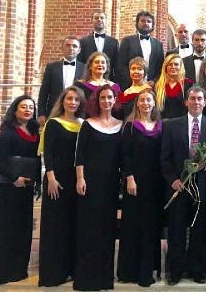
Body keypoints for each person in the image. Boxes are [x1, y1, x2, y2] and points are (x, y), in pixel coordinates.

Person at [160, 86, 206, 286]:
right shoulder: (171, 125)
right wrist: (172, 180)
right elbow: (165, 158)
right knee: (176, 230)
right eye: (192, 98)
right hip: (179, 187)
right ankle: (175, 271)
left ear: (205, 102)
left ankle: (197, 269)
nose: (196, 102)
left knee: (199, 230)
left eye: (199, 99)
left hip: (202, 187)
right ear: (186, 102)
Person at [73, 84, 123, 291]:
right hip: (90, 183)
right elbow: (80, 154)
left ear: (115, 100)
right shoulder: (88, 124)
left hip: (111, 184)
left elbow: (123, 156)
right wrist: (80, 178)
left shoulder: (120, 125)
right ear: (97, 100)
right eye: (103, 97)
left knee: (107, 229)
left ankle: (104, 278)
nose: (106, 101)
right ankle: (87, 278)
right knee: (89, 229)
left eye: (110, 97)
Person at [38, 86, 86, 287]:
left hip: (75, 180)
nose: (72, 102)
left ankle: (70, 269)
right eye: (69, 99)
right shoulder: (53, 123)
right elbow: (47, 153)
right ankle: (53, 274)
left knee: (71, 226)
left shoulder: (82, 124)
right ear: (62, 101)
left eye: (76, 100)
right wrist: (50, 178)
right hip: (56, 181)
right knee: (55, 227)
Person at [117, 88, 164, 287]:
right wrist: (129, 177)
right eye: (142, 100)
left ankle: (149, 269)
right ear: (137, 103)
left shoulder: (161, 126)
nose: (146, 103)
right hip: (135, 183)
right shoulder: (130, 126)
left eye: (149, 100)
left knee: (151, 226)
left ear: (154, 103)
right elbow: (125, 155)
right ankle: (130, 271)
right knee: (133, 225)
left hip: (155, 184)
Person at [0, 96, 40, 285]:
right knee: (7, 228)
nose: (28, 110)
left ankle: (18, 270)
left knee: (23, 228)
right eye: (23, 107)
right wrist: (14, 178)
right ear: (15, 110)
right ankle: (2, 271)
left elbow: (37, 159)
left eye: (31, 107)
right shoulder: (8, 132)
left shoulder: (34, 132)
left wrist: (36, 182)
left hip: (26, 187)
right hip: (9, 186)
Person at [38, 36, 85, 124]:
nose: (71, 48)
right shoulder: (51, 67)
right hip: (54, 110)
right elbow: (44, 92)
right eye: (68, 45)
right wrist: (41, 113)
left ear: (79, 50)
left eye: (74, 46)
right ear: (62, 48)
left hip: (77, 111)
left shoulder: (85, 68)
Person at [117, 11, 165, 89]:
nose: (146, 23)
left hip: (152, 87)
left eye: (149, 21)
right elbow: (121, 65)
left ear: (152, 25)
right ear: (137, 24)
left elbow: (161, 67)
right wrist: (134, 81)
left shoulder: (158, 44)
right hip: (131, 86)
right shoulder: (127, 41)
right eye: (142, 21)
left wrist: (154, 81)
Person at [78, 11, 119, 80]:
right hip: (88, 79)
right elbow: (80, 63)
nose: (99, 20)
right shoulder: (83, 42)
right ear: (92, 21)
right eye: (96, 18)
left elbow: (117, 64)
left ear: (106, 21)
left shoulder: (114, 42)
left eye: (102, 18)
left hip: (108, 79)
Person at [154, 54, 193, 119]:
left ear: (181, 66)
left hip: (181, 122)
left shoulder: (188, 84)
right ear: (165, 67)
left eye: (176, 64)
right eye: (170, 64)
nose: (173, 67)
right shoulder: (158, 85)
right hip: (162, 122)